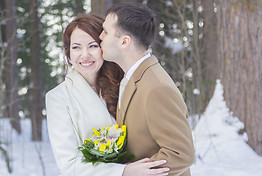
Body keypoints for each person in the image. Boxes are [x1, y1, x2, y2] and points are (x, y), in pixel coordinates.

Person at [46, 14, 170, 176]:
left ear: (104, 46)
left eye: (93, 46)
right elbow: (69, 165)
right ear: (68, 53)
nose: (85, 55)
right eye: (76, 47)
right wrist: (123, 171)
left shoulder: (125, 83)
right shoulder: (58, 97)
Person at [99, 3, 195, 176]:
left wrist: (130, 172)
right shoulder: (132, 77)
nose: (100, 36)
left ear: (124, 41)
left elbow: (180, 153)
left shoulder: (156, 87)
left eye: (105, 32)